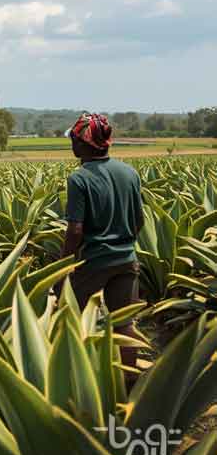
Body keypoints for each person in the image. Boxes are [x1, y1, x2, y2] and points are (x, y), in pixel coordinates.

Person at [60, 112, 145, 385]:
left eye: (74, 138)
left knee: (68, 318)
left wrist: (62, 269)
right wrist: (124, 244)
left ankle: (72, 379)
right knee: (124, 323)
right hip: (126, 259)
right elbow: (139, 220)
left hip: (93, 262)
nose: (71, 144)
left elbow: (75, 230)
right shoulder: (129, 173)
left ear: (85, 144)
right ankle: (129, 382)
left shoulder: (80, 179)